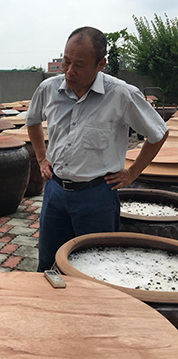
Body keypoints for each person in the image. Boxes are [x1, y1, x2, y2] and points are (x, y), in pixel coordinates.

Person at [26, 26, 169, 272]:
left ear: (101, 64)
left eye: (79, 64)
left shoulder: (121, 95)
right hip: (55, 192)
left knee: (98, 268)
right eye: (66, 61)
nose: (70, 71)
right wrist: (41, 158)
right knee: (48, 264)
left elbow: (158, 133)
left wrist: (133, 173)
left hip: (97, 196)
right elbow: (32, 120)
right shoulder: (49, 89)